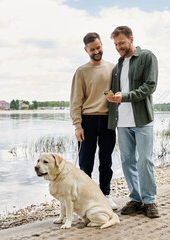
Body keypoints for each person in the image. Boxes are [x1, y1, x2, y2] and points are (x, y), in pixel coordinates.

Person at [106, 26, 160, 218]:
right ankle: (136, 199)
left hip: (142, 119)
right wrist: (113, 99)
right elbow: (118, 92)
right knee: (127, 161)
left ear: (131, 39)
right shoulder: (118, 65)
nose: (119, 47)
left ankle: (150, 200)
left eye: (121, 43)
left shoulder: (147, 57)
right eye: (115, 44)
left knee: (145, 160)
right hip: (122, 121)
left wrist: (126, 96)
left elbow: (150, 86)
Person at [70, 32, 117, 209]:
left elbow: (114, 93)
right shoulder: (81, 71)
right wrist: (77, 125)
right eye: (92, 50)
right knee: (85, 163)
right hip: (87, 120)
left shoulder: (113, 68)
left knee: (106, 162)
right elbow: (76, 100)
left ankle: (105, 195)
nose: (96, 51)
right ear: (86, 50)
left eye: (98, 48)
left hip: (107, 120)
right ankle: (84, 198)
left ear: (102, 45)